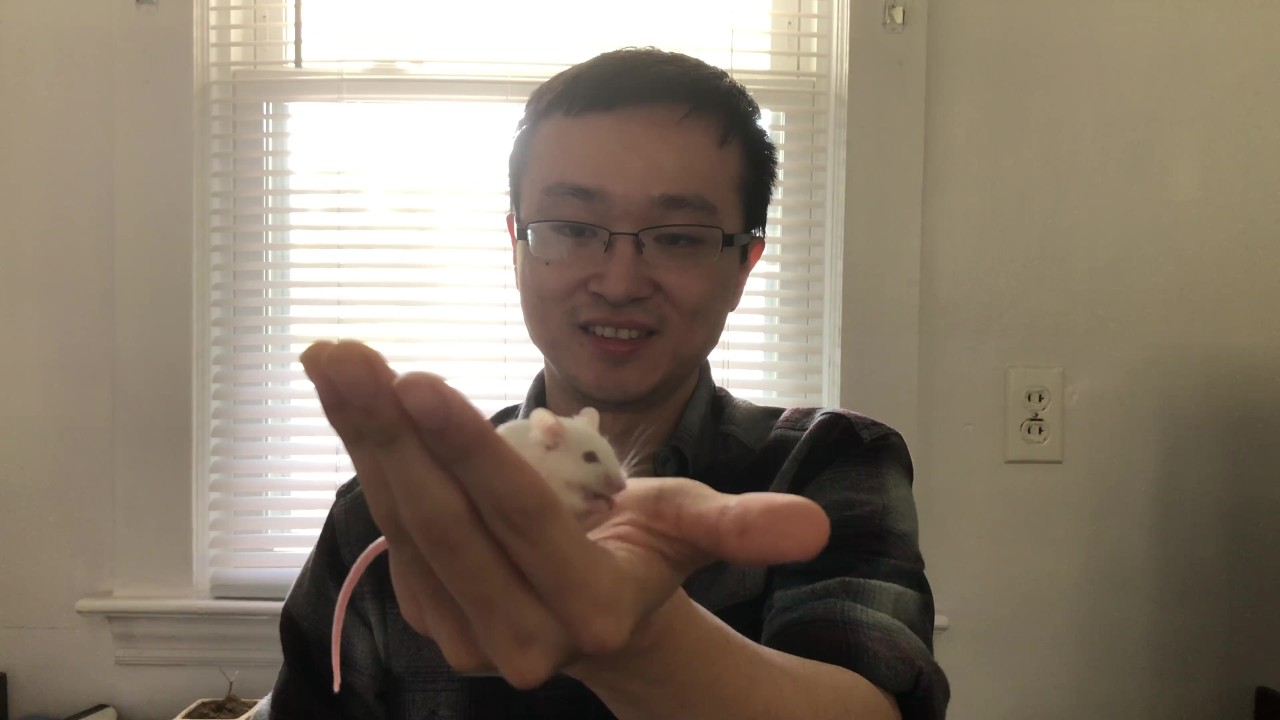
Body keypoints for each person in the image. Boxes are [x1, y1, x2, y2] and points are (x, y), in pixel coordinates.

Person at [259, 47, 949, 719]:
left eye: (678, 237)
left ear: (744, 266)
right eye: (570, 228)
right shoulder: (395, 507)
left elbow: (872, 701)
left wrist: (643, 644)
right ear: (517, 244)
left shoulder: (827, 461)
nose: (619, 284)